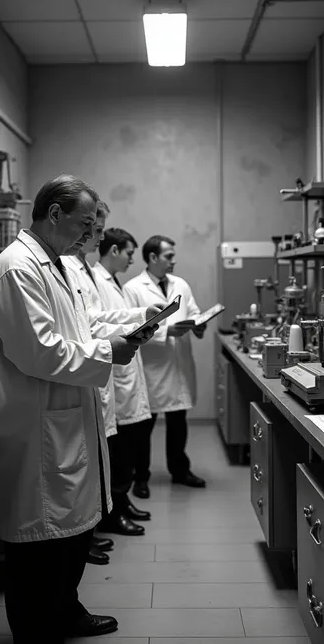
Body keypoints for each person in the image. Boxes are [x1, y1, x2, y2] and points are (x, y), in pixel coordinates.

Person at [0, 175, 149, 644]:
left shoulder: (56, 265)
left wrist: (124, 335)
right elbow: (39, 351)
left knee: (70, 535)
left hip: (67, 418)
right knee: (40, 542)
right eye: (83, 223)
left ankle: (66, 612)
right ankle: (36, 629)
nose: (87, 234)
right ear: (54, 214)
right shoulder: (19, 268)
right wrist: (107, 353)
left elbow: (79, 328)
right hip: (37, 426)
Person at [63, 206, 162, 548]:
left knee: (115, 456)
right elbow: (84, 326)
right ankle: (93, 527)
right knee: (99, 462)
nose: (101, 237)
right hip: (89, 374)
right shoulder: (72, 270)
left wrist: (138, 318)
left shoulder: (86, 270)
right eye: (95, 228)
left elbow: (95, 319)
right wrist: (132, 323)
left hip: (103, 369)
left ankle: (108, 512)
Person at [124, 234, 207, 498]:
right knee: (144, 427)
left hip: (178, 363)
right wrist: (166, 332)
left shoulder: (180, 284)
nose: (174, 260)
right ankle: (141, 477)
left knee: (178, 422)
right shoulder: (133, 288)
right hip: (151, 367)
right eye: (169, 256)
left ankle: (180, 471)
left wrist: (199, 323)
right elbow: (130, 328)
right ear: (152, 258)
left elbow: (193, 311)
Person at [93, 228, 157, 534]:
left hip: (123, 370)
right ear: (115, 250)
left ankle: (122, 501)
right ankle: (114, 508)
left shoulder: (111, 281)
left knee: (127, 448)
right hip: (111, 372)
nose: (134, 258)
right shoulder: (94, 279)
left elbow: (112, 317)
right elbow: (100, 322)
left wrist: (141, 320)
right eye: (130, 252)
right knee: (118, 451)